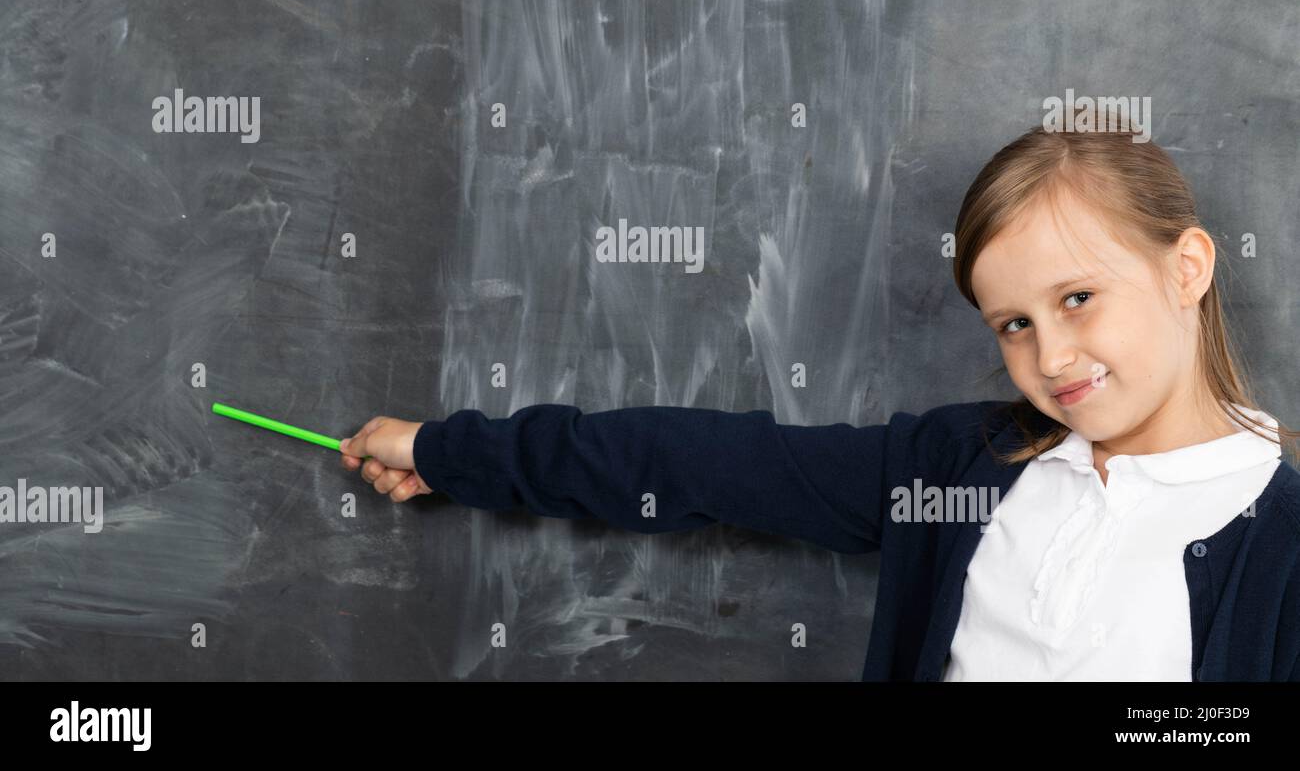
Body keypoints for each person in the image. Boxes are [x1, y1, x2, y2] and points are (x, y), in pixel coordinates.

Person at [339, 116, 1300, 680]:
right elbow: (693, 462)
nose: (1052, 356)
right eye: (1013, 324)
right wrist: (449, 451)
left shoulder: (1281, 539)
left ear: (1188, 268)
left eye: (1078, 298)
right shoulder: (956, 467)